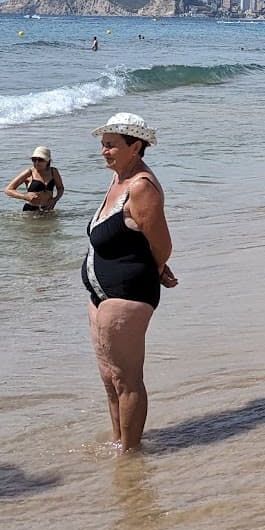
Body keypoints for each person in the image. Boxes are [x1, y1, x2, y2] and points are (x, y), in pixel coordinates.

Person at [83, 112, 177, 453]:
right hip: (100, 295)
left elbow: (162, 243)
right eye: (103, 145)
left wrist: (157, 266)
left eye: (111, 145)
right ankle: (120, 442)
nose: (104, 151)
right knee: (110, 379)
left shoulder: (140, 186)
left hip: (128, 295)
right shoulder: (118, 179)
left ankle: (131, 455)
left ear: (134, 147)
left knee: (127, 379)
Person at [5, 145, 64, 212]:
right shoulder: (29, 172)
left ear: (48, 161)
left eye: (40, 160)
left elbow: (60, 188)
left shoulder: (53, 171)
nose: (37, 162)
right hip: (30, 210)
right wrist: (25, 197)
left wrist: (55, 200)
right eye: (34, 160)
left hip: (48, 210)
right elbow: (8, 190)